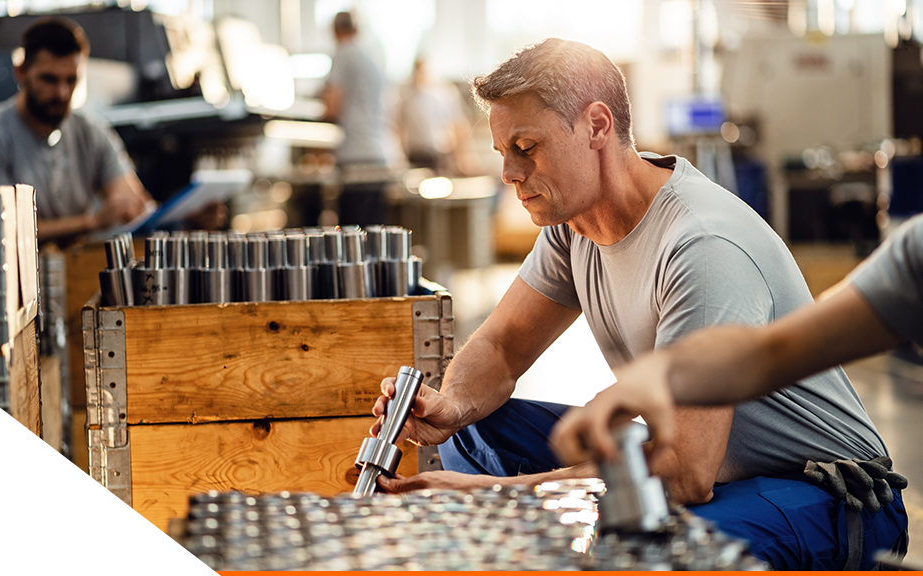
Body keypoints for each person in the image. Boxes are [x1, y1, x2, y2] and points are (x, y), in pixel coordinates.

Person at [370, 38, 907, 570]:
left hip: (826, 492)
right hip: (714, 464)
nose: (509, 173)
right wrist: (452, 404)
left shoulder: (700, 246)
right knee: (477, 427)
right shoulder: (573, 225)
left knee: (645, 546)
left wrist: (499, 494)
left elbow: (684, 473)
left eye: (526, 148)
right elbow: (503, 345)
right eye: (502, 153)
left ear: (598, 126)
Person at [551, 212, 923, 467]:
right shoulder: (915, 256)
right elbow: (769, 352)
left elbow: (689, 476)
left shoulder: (703, 238)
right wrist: (661, 374)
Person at [0, 17, 150, 243]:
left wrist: (128, 205)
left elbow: (134, 201)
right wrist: (92, 222)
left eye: (71, 80)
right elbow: (2, 229)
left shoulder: (92, 133)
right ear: (21, 72)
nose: (62, 93)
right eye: (49, 79)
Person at [321, 11, 390, 226]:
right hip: (378, 153)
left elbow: (333, 106)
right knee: (374, 232)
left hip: (354, 155)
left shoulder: (344, 54)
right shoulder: (372, 56)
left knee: (353, 235)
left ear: (335, 31)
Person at [397, 57, 476, 176]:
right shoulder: (407, 98)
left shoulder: (444, 95)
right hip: (416, 154)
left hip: (440, 154)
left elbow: (459, 126)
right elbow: (400, 128)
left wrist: (464, 158)